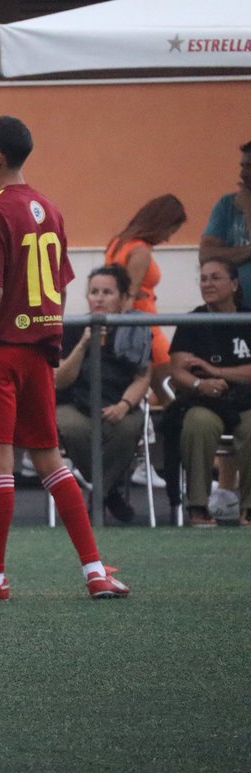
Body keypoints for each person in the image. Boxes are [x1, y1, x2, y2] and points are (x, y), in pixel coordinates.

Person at [0, 115, 130, 601]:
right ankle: (94, 571)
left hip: (1, 353)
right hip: (38, 352)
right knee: (51, 461)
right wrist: (51, 343)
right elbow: (59, 285)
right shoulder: (50, 208)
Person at [54, 267, 152, 524]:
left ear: (122, 297)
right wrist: (83, 345)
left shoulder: (136, 328)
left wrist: (124, 405)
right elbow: (59, 380)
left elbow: (142, 377)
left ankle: (99, 494)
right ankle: (109, 493)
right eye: (94, 292)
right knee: (70, 427)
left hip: (118, 404)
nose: (98, 298)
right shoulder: (73, 328)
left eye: (107, 292)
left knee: (128, 428)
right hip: (75, 404)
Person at [166, 257, 251, 527]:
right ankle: (198, 507)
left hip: (246, 402)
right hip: (207, 403)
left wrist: (216, 372)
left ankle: (249, 508)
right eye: (203, 278)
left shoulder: (247, 318)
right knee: (197, 423)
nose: (207, 283)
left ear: (234, 284)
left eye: (215, 277)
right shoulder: (194, 321)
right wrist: (199, 384)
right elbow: (178, 369)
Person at [104, 194, 186, 409]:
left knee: (155, 385)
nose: (168, 239)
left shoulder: (118, 243)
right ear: (161, 223)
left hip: (135, 325)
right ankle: (172, 431)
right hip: (145, 327)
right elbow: (129, 296)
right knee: (170, 384)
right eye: (170, 231)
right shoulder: (140, 251)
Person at [199, 140, 251, 307]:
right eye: (242, 166)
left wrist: (248, 208)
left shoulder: (242, 204)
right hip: (235, 312)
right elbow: (206, 254)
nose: (243, 174)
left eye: (250, 166)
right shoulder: (227, 204)